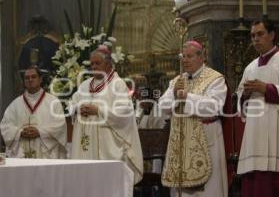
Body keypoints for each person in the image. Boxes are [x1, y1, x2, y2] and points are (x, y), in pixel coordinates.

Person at [237, 20, 279, 197]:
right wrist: (245, 96)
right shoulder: (249, 68)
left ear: (272, 35)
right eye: (252, 36)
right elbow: (241, 104)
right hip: (255, 136)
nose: (255, 39)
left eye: (260, 34)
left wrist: (267, 89)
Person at [159, 40, 228, 197]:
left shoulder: (215, 79)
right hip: (180, 142)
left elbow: (215, 106)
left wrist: (187, 97)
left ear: (201, 57)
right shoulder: (177, 81)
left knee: (208, 189)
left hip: (205, 139)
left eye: (189, 56)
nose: (185, 60)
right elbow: (162, 106)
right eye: (183, 56)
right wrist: (176, 96)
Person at [70, 45, 143, 184]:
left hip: (108, 145)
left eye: (98, 63)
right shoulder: (85, 85)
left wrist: (98, 110)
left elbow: (124, 113)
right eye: (92, 63)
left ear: (109, 64)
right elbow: (72, 103)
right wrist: (77, 109)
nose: (94, 66)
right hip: (85, 143)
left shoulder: (118, 85)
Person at [0, 65, 67, 158]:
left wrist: (39, 132)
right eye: (27, 78)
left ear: (40, 79)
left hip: (46, 155)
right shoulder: (15, 104)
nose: (30, 80)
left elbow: (60, 127)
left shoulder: (53, 102)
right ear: (24, 81)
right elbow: (5, 126)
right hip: (22, 155)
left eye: (33, 77)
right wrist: (20, 133)